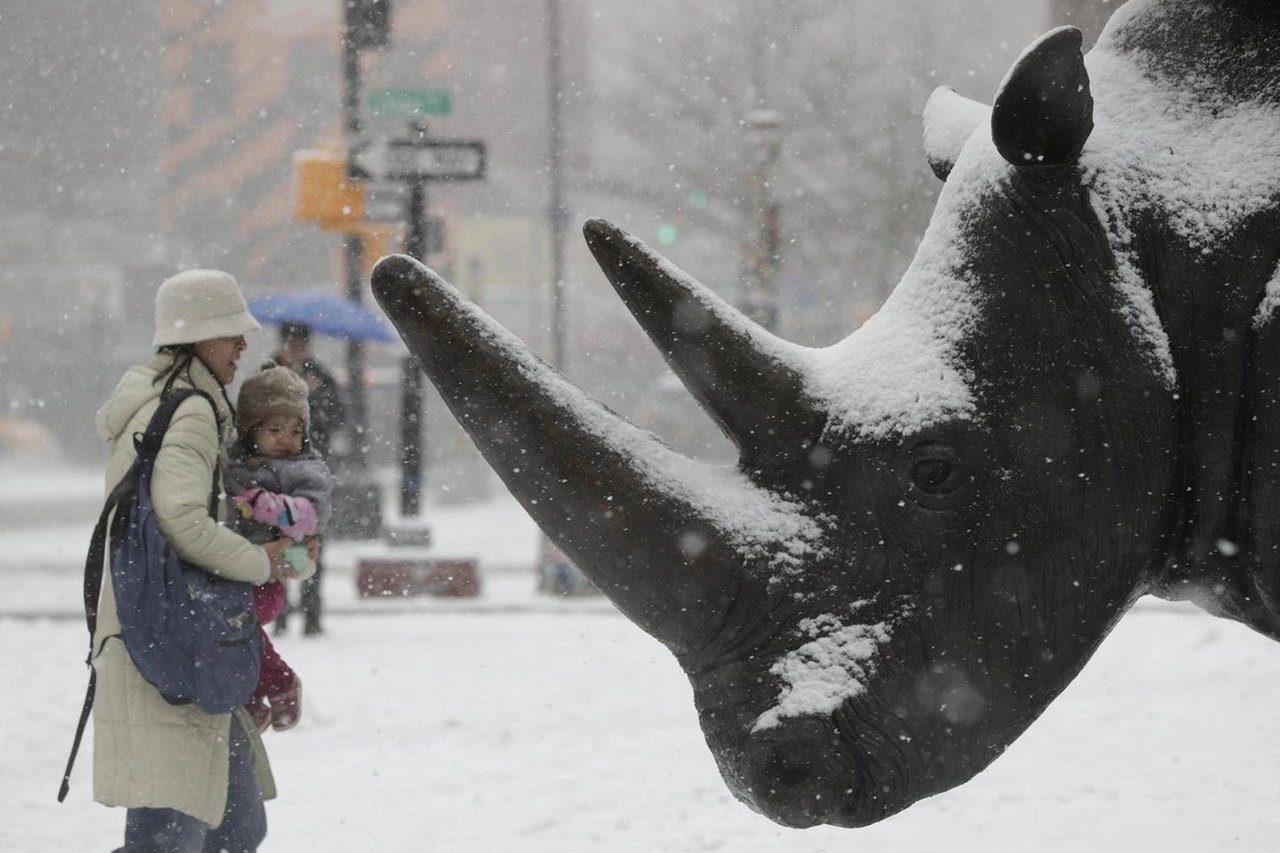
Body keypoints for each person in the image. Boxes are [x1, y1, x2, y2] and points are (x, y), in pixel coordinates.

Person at [93, 269, 303, 853]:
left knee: (233, 827)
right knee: (171, 836)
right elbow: (180, 522)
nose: (243, 345)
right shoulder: (187, 411)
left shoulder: (157, 402)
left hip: (171, 639)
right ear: (198, 336)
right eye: (232, 332)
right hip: (174, 649)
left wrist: (264, 664)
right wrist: (262, 561)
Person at [225, 361, 335, 730]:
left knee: (235, 622)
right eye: (275, 429)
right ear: (250, 429)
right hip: (236, 567)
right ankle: (255, 693)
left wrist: (272, 508)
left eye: (295, 430)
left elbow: (312, 515)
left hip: (268, 578)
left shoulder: (304, 469)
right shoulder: (236, 465)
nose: (287, 439)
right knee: (232, 630)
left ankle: (275, 682)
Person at [271, 322, 344, 635]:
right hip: (275, 474)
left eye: (301, 343)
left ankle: (312, 613)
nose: (296, 349)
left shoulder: (321, 375)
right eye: (292, 343)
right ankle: (280, 610)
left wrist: (313, 400)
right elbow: (256, 419)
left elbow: (337, 418)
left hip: (312, 472)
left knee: (312, 540)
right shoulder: (268, 375)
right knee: (278, 541)